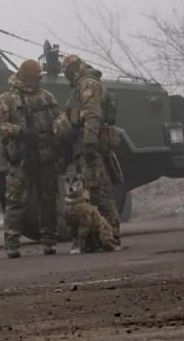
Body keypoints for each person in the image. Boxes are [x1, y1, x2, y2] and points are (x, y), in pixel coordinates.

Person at [0, 59, 64, 258]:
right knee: (16, 201)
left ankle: (49, 241)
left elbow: (59, 120)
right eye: (35, 76)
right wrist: (19, 131)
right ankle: (12, 244)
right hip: (20, 157)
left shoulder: (46, 97)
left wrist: (61, 139)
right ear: (26, 76)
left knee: (49, 199)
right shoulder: (7, 99)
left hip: (46, 155)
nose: (39, 80)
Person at [59, 54, 122, 247]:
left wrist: (89, 144)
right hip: (86, 146)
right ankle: (98, 239)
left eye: (66, 73)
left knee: (99, 193)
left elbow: (93, 114)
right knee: (91, 192)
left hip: (91, 148)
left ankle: (112, 236)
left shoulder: (87, 84)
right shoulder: (82, 84)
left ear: (73, 70)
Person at [62, 174, 117, 254]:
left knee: (88, 227)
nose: (70, 185)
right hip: (90, 232)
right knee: (72, 226)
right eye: (67, 181)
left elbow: (86, 225)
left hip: (98, 230)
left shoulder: (83, 203)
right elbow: (71, 224)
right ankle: (77, 245)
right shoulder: (67, 203)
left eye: (75, 181)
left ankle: (84, 246)